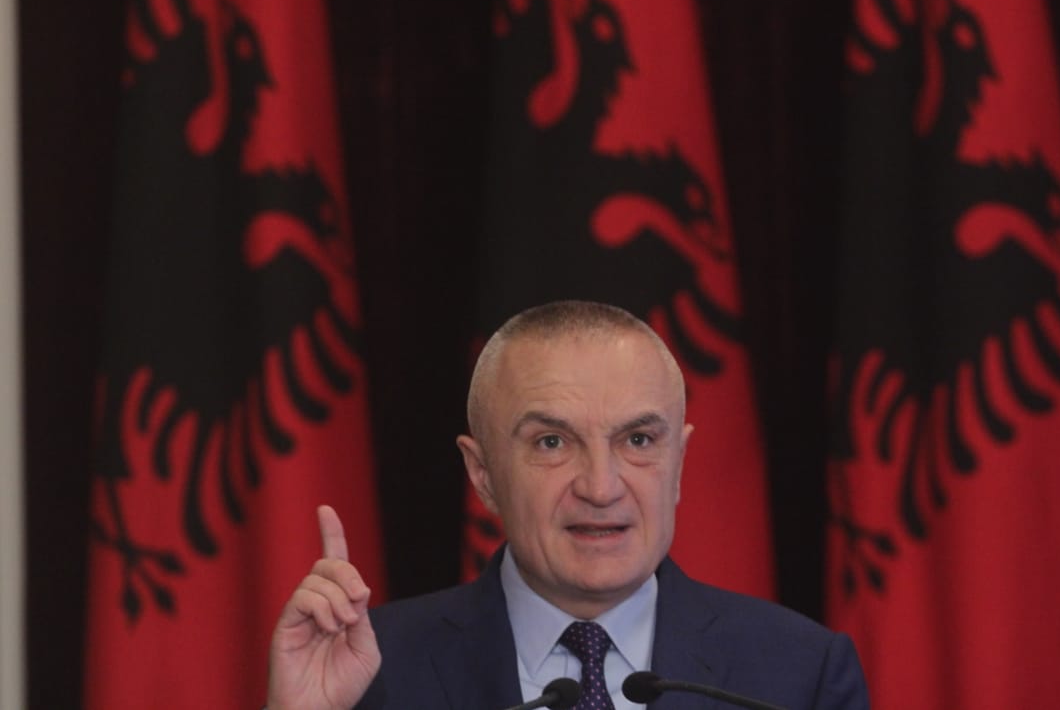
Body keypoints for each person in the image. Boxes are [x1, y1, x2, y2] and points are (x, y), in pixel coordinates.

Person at [267, 300, 869, 710]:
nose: (601, 488)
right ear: (482, 474)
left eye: (638, 441)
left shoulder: (799, 676)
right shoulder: (373, 673)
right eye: (551, 443)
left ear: (679, 463)